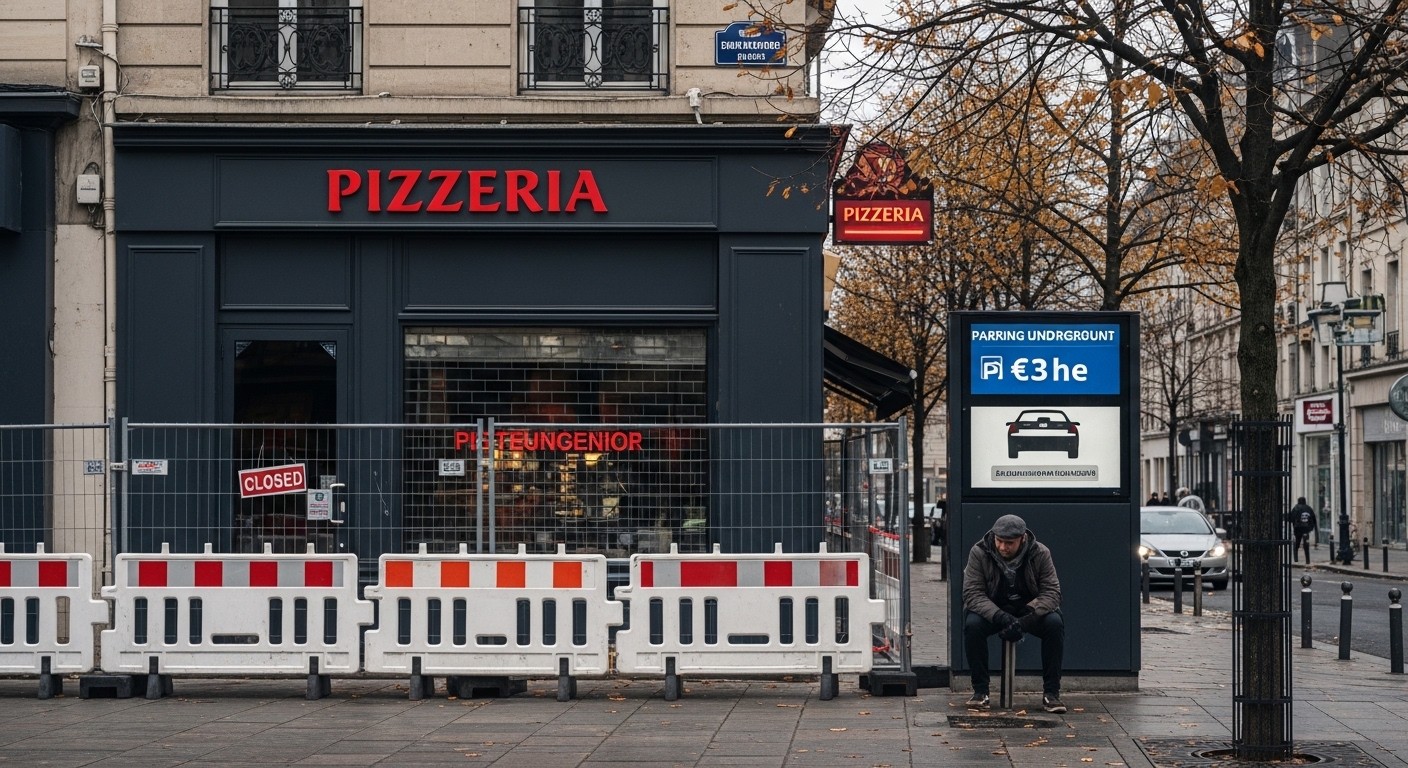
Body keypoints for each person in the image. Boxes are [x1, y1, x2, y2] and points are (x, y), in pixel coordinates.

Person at [961, 514, 1066, 714]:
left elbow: (1052, 592)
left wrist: (1027, 620)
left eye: (1009, 543)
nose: (1002, 547)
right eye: (999, 541)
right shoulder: (979, 552)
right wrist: (1001, 616)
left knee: (1054, 624)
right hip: (994, 610)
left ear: (1023, 538)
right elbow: (972, 593)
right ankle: (980, 692)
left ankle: (1051, 694)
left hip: (1029, 610)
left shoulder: (1040, 553)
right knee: (972, 625)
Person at [1287, 496, 1316, 563]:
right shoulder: (1309, 508)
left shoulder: (1296, 508)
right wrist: (1312, 527)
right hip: (1307, 528)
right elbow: (1313, 519)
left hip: (1298, 528)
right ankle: (1307, 560)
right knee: (1306, 544)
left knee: (1297, 543)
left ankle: (1296, 559)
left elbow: (1291, 518)